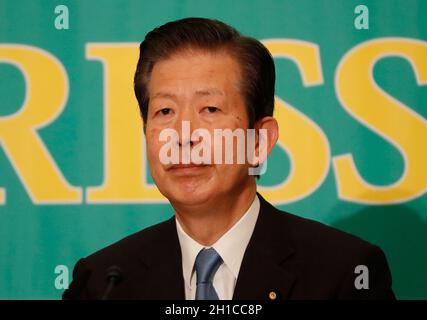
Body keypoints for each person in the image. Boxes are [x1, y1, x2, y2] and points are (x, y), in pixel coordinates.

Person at [63, 17, 395, 300]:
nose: (183, 134)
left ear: (259, 140)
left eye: (210, 109)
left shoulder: (345, 274)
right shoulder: (100, 283)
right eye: (165, 111)